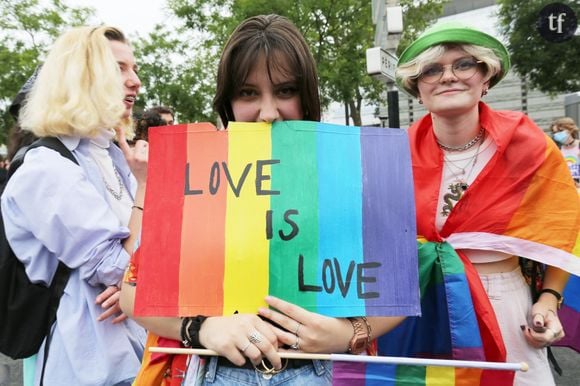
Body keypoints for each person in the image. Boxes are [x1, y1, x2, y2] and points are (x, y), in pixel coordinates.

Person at [120, 14, 405, 385]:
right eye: (248, 93)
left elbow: (396, 288)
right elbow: (132, 292)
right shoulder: (198, 172)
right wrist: (202, 329)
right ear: (227, 99)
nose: (268, 113)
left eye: (285, 91)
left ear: (307, 96)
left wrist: (347, 333)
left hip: (325, 370)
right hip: (217, 371)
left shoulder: (350, 169)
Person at [395, 22, 580, 385]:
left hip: (504, 301)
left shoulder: (531, 147)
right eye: (432, 69)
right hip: (421, 302)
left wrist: (547, 301)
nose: (448, 77)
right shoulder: (391, 154)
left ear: (486, 77)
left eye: (463, 65)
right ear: (417, 88)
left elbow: (563, 236)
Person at [1, 26, 149, 385]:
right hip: (87, 367)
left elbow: (147, 259)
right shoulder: (45, 168)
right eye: (120, 69)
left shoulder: (112, 156)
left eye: (135, 68)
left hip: (136, 354)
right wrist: (146, 186)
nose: (136, 82)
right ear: (82, 77)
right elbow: (118, 267)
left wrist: (138, 278)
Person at [549, 117, 579, 186]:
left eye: (560, 131)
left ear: (570, 130)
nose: (557, 134)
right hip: (568, 188)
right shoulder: (558, 150)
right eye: (555, 133)